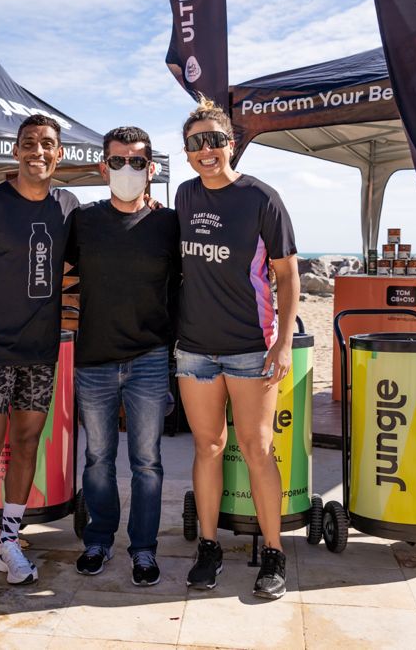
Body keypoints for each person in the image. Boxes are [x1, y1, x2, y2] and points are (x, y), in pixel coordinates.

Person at [0, 114, 79, 609]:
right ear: (17, 151)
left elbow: (100, 250)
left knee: (27, 445)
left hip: (42, 354)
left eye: (47, 144)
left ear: (59, 154)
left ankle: (9, 542)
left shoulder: (67, 206)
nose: (38, 152)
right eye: (29, 144)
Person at [175, 98, 300, 599]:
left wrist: (285, 342)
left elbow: (289, 276)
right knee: (207, 448)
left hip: (252, 349)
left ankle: (273, 553)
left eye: (213, 140)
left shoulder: (262, 199)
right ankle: (208, 548)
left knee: (257, 449)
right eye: (195, 143)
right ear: (186, 153)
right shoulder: (183, 197)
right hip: (194, 351)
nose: (206, 151)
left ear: (231, 144)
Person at [66, 126, 179, 586]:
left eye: (136, 162)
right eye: (117, 161)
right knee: (97, 458)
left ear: (151, 169)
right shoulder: (84, 220)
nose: (126, 169)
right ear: (102, 168)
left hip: (150, 357)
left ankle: (145, 550)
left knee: (147, 461)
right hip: (93, 358)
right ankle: (98, 540)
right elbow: (62, 279)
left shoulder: (168, 222)